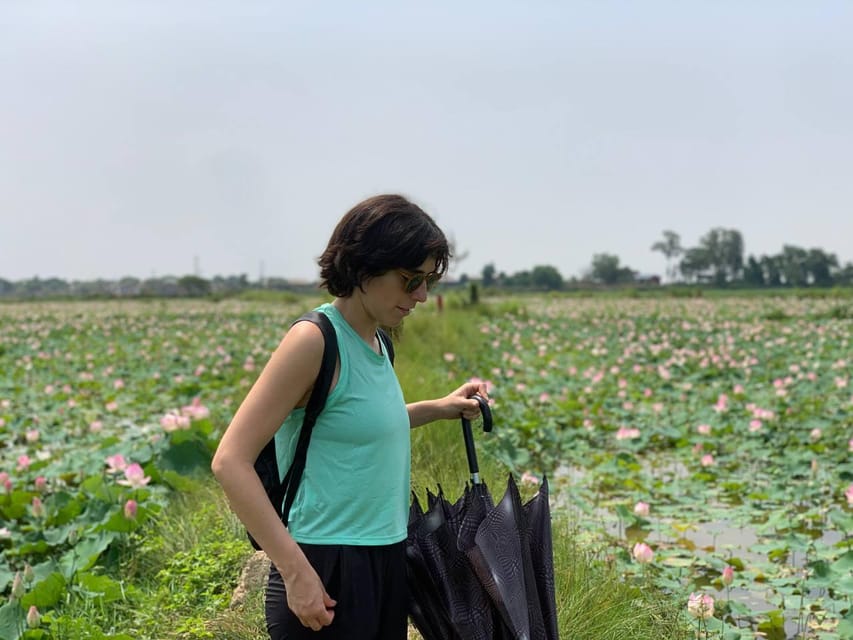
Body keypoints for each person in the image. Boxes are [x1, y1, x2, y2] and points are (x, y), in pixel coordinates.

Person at [211, 194, 488, 640]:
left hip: (386, 553)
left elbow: (355, 423)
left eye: (426, 283)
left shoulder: (379, 342)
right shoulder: (313, 341)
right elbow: (230, 461)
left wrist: (439, 408)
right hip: (326, 564)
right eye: (409, 279)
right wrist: (297, 573)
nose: (420, 295)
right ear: (365, 267)